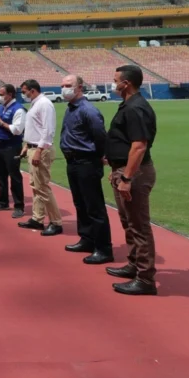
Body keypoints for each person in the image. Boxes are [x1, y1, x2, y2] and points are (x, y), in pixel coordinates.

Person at [106, 65, 159, 296]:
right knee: (128, 222)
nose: (113, 83)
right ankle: (134, 264)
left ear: (126, 83)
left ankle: (145, 279)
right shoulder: (129, 105)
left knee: (139, 226)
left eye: (115, 80)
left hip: (134, 174)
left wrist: (126, 177)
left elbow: (139, 146)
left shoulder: (136, 108)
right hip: (123, 171)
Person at [59, 75, 113, 264]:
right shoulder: (71, 109)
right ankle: (87, 239)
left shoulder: (88, 110)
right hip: (72, 162)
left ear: (79, 87)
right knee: (80, 204)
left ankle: (103, 248)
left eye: (68, 85)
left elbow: (100, 136)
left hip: (86, 162)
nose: (63, 89)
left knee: (94, 206)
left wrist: (99, 156)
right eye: (62, 85)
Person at [18, 79, 63, 236]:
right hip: (33, 147)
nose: (23, 94)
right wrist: (26, 146)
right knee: (35, 185)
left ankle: (56, 222)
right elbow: (34, 128)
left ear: (32, 90)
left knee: (42, 187)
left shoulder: (44, 104)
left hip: (41, 149)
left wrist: (38, 150)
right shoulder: (35, 103)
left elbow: (47, 130)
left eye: (24, 91)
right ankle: (37, 218)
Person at [0, 84, 26, 215]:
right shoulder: (2, 107)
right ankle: (3, 201)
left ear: (10, 94)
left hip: (12, 146)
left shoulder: (19, 110)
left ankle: (19, 206)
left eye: (1, 94)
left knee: (14, 176)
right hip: (0, 145)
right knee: (0, 174)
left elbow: (17, 130)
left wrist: (1, 123)